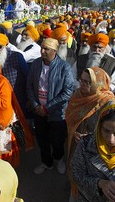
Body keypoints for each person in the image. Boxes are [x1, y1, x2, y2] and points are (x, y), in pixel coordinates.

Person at [65, 67, 115, 196]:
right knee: (76, 173)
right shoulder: (78, 95)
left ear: (98, 84)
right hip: (76, 145)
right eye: (81, 80)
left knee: (90, 183)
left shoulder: (109, 104)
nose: (82, 84)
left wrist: (91, 138)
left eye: (87, 82)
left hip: (96, 152)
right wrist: (73, 131)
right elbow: (69, 117)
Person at [27, 38, 74, 175]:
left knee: (57, 140)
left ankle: (59, 159)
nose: (42, 51)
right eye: (42, 48)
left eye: (46, 49)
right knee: (42, 140)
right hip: (38, 111)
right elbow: (29, 85)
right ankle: (46, 162)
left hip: (57, 113)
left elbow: (68, 91)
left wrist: (47, 108)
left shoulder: (64, 67)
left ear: (54, 51)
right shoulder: (36, 64)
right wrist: (36, 106)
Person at [0, 33, 29, 119]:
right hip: (0, 100)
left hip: (18, 97)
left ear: (5, 46)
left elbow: (27, 76)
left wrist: (28, 97)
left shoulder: (16, 56)